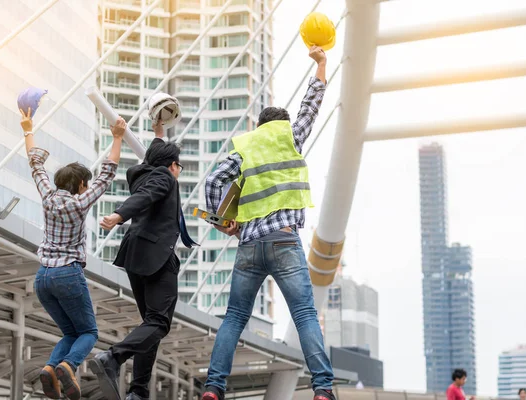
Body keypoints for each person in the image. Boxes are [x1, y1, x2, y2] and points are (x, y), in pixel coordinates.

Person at [200, 45, 334, 400]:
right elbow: (312, 104)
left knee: (234, 318)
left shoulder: (247, 148)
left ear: (259, 128)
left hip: (249, 245)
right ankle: (322, 389)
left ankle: (213, 388)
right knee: (304, 314)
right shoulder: (291, 138)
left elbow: (213, 182)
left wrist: (222, 221)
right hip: (285, 241)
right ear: (282, 127)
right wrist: (321, 64)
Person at [21, 107, 126, 400]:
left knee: (71, 333)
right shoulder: (79, 204)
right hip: (68, 273)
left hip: (43, 277)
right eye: (86, 184)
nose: (88, 187)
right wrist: (117, 136)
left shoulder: (47, 195)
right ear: (81, 185)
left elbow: (35, 165)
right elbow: (107, 174)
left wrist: (28, 129)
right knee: (89, 333)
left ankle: (50, 369)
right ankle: (68, 365)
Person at [89, 120, 186, 400]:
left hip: (135, 254)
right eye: (178, 164)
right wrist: (120, 214)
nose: (179, 170)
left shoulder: (141, 173)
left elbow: (150, 170)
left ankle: (139, 391)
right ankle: (113, 357)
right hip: (158, 257)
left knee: (150, 325)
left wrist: (158, 134)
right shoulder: (164, 178)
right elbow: (146, 196)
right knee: (159, 323)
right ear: (170, 165)